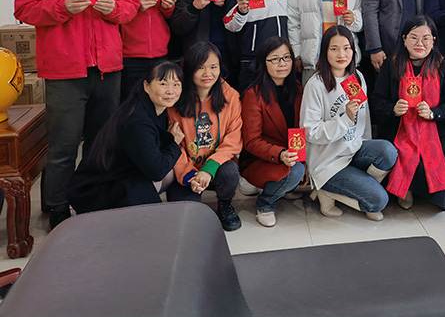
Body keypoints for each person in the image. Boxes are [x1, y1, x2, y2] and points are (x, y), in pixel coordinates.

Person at [14, 0, 139, 229]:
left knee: (101, 143)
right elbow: (23, 9)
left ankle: (92, 199)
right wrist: (60, 8)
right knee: (63, 144)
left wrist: (114, 9)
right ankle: (57, 206)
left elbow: (130, 7)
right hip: (64, 70)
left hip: (107, 68)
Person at [300, 26, 397, 220]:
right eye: (334, 49)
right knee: (378, 201)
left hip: (353, 151)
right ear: (325, 51)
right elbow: (309, 131)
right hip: (328, 162)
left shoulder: (357, 77)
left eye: (346, 48)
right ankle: (326, 191)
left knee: (388, 151)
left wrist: (366, 144)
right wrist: (345, 119)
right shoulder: (316, 84)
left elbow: (364, 119)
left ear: (353, 51)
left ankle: (359, 186)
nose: (341, 54)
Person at [68, 61, 185, 213]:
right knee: (155, 213)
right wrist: (174, 143)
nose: (170, 91)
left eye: (176, 84)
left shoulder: (155, 109)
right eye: (163, 84)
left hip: (121, 176)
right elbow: (157, 171)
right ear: (146, 86)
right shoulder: (138, 121)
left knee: (171, 170)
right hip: (94, 190)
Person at [371, 16, 445, 210]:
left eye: (426, 38)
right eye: (413, 37)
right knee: (403, 155)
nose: (420, 43)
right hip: (399, 128)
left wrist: (434, 113)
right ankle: (406, 190)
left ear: (433, 40)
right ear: (404, 39)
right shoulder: (391, 65)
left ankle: (411, 188)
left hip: (435, 130)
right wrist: (393, 108)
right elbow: (377, 101)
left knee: (435, 160)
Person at [167, 41, 244, 231]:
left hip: (217, 165)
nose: (207, 73)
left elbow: (233, 139)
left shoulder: (231, 96)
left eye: (213, 67)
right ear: (189, 69)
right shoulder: (176, 99)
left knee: (230, 172)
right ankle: (192, 190)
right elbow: (174, 145)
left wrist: (209, 169)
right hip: (186, 169)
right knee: (187, 223)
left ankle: (225, 204)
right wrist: (190, 175)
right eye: (200, 67)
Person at [240, 37, 305, 227]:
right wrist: (280, 154)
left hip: (288, 156)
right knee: (296, 170)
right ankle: (265, 204)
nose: (282, 64)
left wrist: (301, 158)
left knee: (298, 169)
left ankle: (284, 184)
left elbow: (298, 131)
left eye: (286, 57)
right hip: (260, 159)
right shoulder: (253, 94)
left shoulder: (298, 89)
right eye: (275, 59)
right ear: (264, 62)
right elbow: (251, 141)